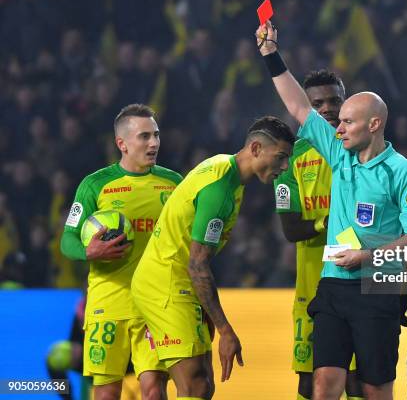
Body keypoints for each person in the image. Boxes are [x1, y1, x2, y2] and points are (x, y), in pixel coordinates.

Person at [256, 22, 407, 400]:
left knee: (373, 387)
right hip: (333, 284)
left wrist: (368, 256)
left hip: (376, 288)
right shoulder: (338, 154)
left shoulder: (402, 171)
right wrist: (271, 54)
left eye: (347, 122)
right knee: (324, 383)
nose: (338, 128)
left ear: (374, 124)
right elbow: (298, 106)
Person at [131, 116, 295, 399]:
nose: (285, 166)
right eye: (280, 157)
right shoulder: (220, 190)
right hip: (170, 285)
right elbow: (197, 263)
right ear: (256, 148)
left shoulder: (223, 168)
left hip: (163, 281)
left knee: (171, 388)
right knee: (196, 385)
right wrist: (224, 328)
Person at [61, 104, 183, 399]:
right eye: (144, 136)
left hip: (155, 304)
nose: (153, 143)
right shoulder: (95, 185)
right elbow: (67, 240)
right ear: (122, 144)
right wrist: (89, 251)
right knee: (106, 393)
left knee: (154, 390)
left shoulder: (174, 183)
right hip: (109, 302)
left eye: (155, 135)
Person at [274, 69, 363, 400]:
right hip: (312, 287)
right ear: (304, 108)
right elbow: (291, 229)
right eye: (317, 103)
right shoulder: (290, 159)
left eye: (334, 100)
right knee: (310, 381)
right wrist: (329, 223)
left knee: (359, 379)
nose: (327, 108)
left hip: (358, 283)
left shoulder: (362, 150)